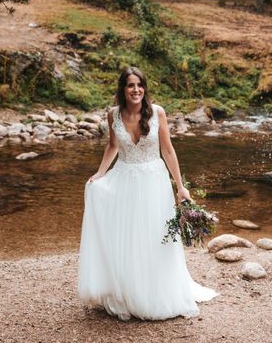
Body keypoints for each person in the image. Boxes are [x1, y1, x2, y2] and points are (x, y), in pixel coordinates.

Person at [77, 66, 217, 320]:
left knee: (153, 236)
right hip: (123, 178)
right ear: (122, 89)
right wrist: (100, 174)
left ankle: (154, 292)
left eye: (139, 85)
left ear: (144, 88)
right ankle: (129, 291)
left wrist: (180, 186)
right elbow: (112, 146)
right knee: (128, 236)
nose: (136, 90)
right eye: (130, 85)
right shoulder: (113, 115)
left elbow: (168, 151)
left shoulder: (157, 113)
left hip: (153, 182)